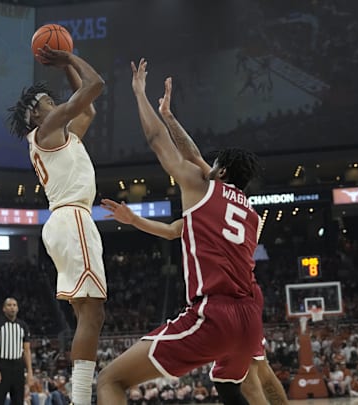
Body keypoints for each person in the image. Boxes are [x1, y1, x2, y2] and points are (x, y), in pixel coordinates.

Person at [100, 74, 288, 405]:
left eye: (211, 165)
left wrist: (139, 94)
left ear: (222, 172)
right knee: (243, 382)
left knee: (110, 380)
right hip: (250, 312)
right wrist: (170, 116)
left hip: (216, 312)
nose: (203, 164)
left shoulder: (201, 188)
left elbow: (157, 140)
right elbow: (177, 229)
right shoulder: (251, 215)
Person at [6, 44, 105, 405]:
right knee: (93, 311)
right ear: (36, 114)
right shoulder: (47, 128)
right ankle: (81, 399)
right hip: (72, 218)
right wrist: (70, 59)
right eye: (47, 99)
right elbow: (95, 85)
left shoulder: (61, 135)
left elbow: (88, 106)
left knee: (87, 312)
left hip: (66, 221)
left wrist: (65, 68)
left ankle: (81, 396)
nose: (53, 101)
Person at [0, 297, 34, 405]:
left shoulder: (23, 326)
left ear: (17, 308)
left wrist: (30, 372)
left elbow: (27, 351)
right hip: (2, 365)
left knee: (18, 401)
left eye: (14, 305)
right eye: (9, 305)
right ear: (4, 308)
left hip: (18, 366)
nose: (12, 308)